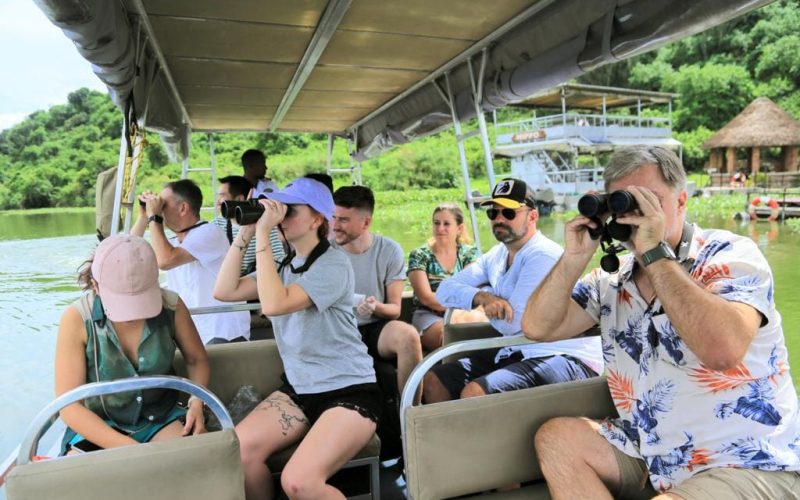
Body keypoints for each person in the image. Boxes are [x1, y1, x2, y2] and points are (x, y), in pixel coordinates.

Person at [523, 146, 800, 498]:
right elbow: (538, 327)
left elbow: (722, 350)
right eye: (623, 202)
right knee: (557, 439)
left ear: (681, 202)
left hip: (747, 459)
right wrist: (574, 257)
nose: (635, 215)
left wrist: (654, 252)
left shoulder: (729, 255)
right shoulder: (611, 282)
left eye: (649, 201)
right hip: (656, 451)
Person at [212, 177, 380, 500]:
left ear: (318, 218)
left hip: (349, 390)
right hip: (300, 390)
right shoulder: (285, 266)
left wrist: (263, 234)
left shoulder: (334, 265)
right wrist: (247, 232)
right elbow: (224, 290)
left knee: (299, 482)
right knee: (239, 453)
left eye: (289, 210)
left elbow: (274, 305)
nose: (280, 216)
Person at [423, 178, 602, 403]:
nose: (499, 219)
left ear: (532, 216)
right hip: (517, 348)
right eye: (493, 213)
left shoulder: (542, 255)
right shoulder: (496, 255)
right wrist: (483, 296)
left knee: (475, 392)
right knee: (433, 381)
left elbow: (515, 322)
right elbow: (444, 291)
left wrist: (488, 295)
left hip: (563, 355)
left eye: (509, 213)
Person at [55, 234, 209, 454]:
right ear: (95, 284)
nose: (132, 314)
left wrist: (196, 402)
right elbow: (69, 405)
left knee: (196, 459)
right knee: (96, 479)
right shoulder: (76, 318)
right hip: (100, 422)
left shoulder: (172, 306)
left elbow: (196, 359)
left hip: (158, 417)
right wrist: (134, 452)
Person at [133, 179, 250, 345]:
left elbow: (166, 261)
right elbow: (128, 252)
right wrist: (143, 216)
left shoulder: (209, 233)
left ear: (183, 208)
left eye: (163, 205)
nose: (160, 210)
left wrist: (155, 218)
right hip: (195, 332)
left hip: (222, 332)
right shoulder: (173, 242)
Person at [330, 185, 423, 395]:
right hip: (338, 330)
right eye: (333, 217)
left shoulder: (389, 250)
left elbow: (394, 309)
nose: (334, 226)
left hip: (376, 328)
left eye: (343, 220)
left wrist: (374, 307)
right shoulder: (326, 252)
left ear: (366, 222)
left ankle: (410, 416)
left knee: (409, 336)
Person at [407, 203, 479, 351]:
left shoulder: (469, 254)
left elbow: (469, 291)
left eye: (446, 224)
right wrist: (461, 303)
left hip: (464, 314)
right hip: (428, 315)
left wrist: (463, 306)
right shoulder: (420, 255)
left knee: (480, 328)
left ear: (459, 229)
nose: (440, 229)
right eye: (436, 223)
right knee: (450, 335)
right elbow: (426, 297)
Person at [211, 175, 285, 276]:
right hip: (227, 284)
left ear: (240, 199)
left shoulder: (264, 224)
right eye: (218, 196)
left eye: (222, 196)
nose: (218, 201)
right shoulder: (216, 225)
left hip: (258, 284)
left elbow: (278, 262)